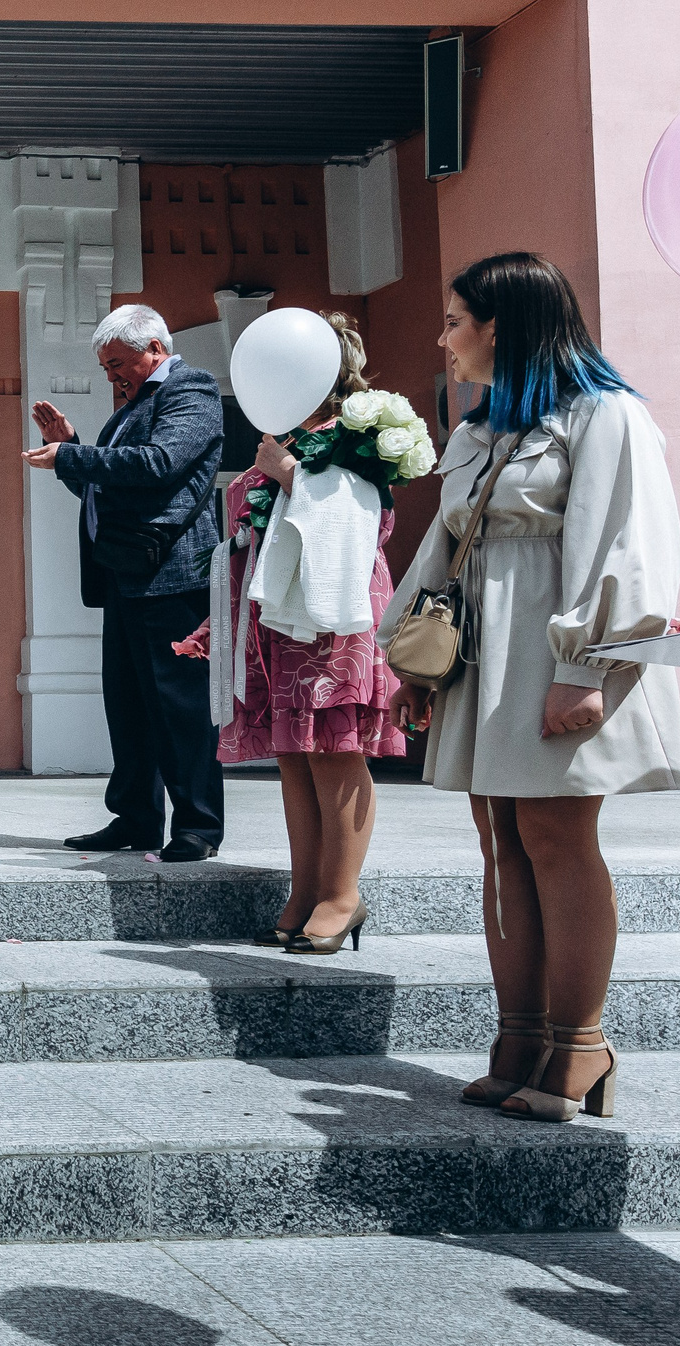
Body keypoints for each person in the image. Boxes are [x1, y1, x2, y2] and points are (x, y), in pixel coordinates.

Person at [387, 251, 680, 1123]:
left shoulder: (605, 414)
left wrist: (583, 669)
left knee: (556, 836)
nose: (442, 339)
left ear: (501, 326)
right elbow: (445, 548)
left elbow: (626, 545)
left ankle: (581, 1042)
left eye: (454, 322)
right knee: (500, 840)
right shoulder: (481, 427)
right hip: (484, 654)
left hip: (555, 651)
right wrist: (419, 668)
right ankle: (520, 1038)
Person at [175, 313, 405, 953]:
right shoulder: (285, 438)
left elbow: (364, 523)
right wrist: (220, 622)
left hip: (333, 618)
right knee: (296, 759)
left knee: (334, 751)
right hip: (275, 618)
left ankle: (342, 895)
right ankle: (306, 892)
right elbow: (251, 542)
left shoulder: (355, 440)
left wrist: (290, 477)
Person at [25, 304, 227, 862]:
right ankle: (137, 818)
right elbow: (109, 492)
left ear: (154, 349)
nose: (111, 376)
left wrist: (74, 455)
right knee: (129, 705)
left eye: (117, 363)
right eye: (106, 367)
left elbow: (159, 464)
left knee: (180, 707)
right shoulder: (132, 407)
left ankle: (197, 827)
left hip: (172, 576)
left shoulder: (191, 389)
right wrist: (72, 452)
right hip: (128, 574)